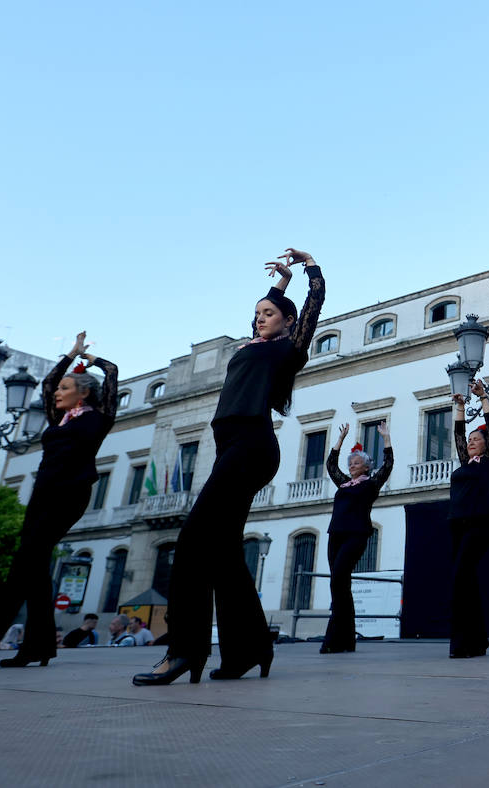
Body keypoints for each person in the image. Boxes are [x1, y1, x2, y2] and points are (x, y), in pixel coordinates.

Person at [134, 249, 324, 686]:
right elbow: (263, 310)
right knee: (223, 556)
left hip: (253, 444)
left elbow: (314, 306)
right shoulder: (252, 346)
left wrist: (307, 269)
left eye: (269, 313)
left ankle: (183, 650)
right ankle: (250, 649)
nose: (260, 318)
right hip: (230, 447)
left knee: (191, 540)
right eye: (257, 313)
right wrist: (277, 284)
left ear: (287, 322)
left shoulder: (286, 351)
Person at [0, 334, 120, 672]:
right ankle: (39, 645)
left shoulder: (99, 418)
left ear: (84, 392)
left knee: (23, 567)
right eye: (60, 388)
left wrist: (94, 362)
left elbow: (113, 371)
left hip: (69, 494)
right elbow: (47, 384)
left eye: (66, 387)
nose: (58, 392)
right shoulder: (58, 419)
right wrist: (69, 356)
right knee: (33, 568)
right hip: (42, 493)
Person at [321, 421, 393, 654]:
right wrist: (340, 441)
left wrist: (386, 439)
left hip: (356, 535)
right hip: (336, 535)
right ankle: (345, 641)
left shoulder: (371, 485)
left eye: (357, 463)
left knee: (338, 580)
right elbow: (331, 464)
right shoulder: (343, 484)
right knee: (340, 585)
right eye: (350, 463)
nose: (352, 465)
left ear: (366, 467)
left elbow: (388, 465)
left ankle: (333, 639)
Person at [447, 380, 489, 660]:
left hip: (480, 523)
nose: (470, 442)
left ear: (485, 445)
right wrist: (459, 406)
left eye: (475, 440)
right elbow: (457, 433)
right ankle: (477, 640)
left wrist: (483, 399)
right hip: (457, 523)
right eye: (469, 440)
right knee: (464, 581)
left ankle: (465, 643)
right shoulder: (464, 464)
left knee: (460, 578)